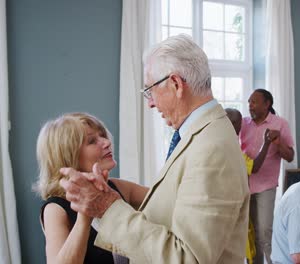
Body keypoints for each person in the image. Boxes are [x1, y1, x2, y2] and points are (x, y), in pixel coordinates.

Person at [59, 34, 250, 263]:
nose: (150, 103)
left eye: (150, 90)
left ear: (176, 84)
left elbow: (186, 258)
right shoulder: (198, 136)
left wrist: (107, 208)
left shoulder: (211, 147)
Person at [34, 112, 148, 263]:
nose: (106, 142)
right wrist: (85, 215)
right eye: (92, 141)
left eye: (103, 135)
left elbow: (168, 199)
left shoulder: (119, 187)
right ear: (69, 155)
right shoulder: (56, 209)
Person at [239, 89, 295, 264]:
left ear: (267, 104)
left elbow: (290, 156)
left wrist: (278, 144)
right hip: (244, 185)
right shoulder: (243, 123)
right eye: (249, 102)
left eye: (254, 102)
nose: (250, 105)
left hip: (266, 186)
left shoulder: (280, 124)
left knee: (264, 231)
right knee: (250, 233)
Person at [225, 107, 272, 264]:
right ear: (232, 124)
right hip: (235, 204)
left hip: (231, 202)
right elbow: (255, 166)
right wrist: (266, 144)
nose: (242, 127)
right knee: (247, 242)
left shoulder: (224, 143)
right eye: (239, 123)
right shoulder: (232, 148)